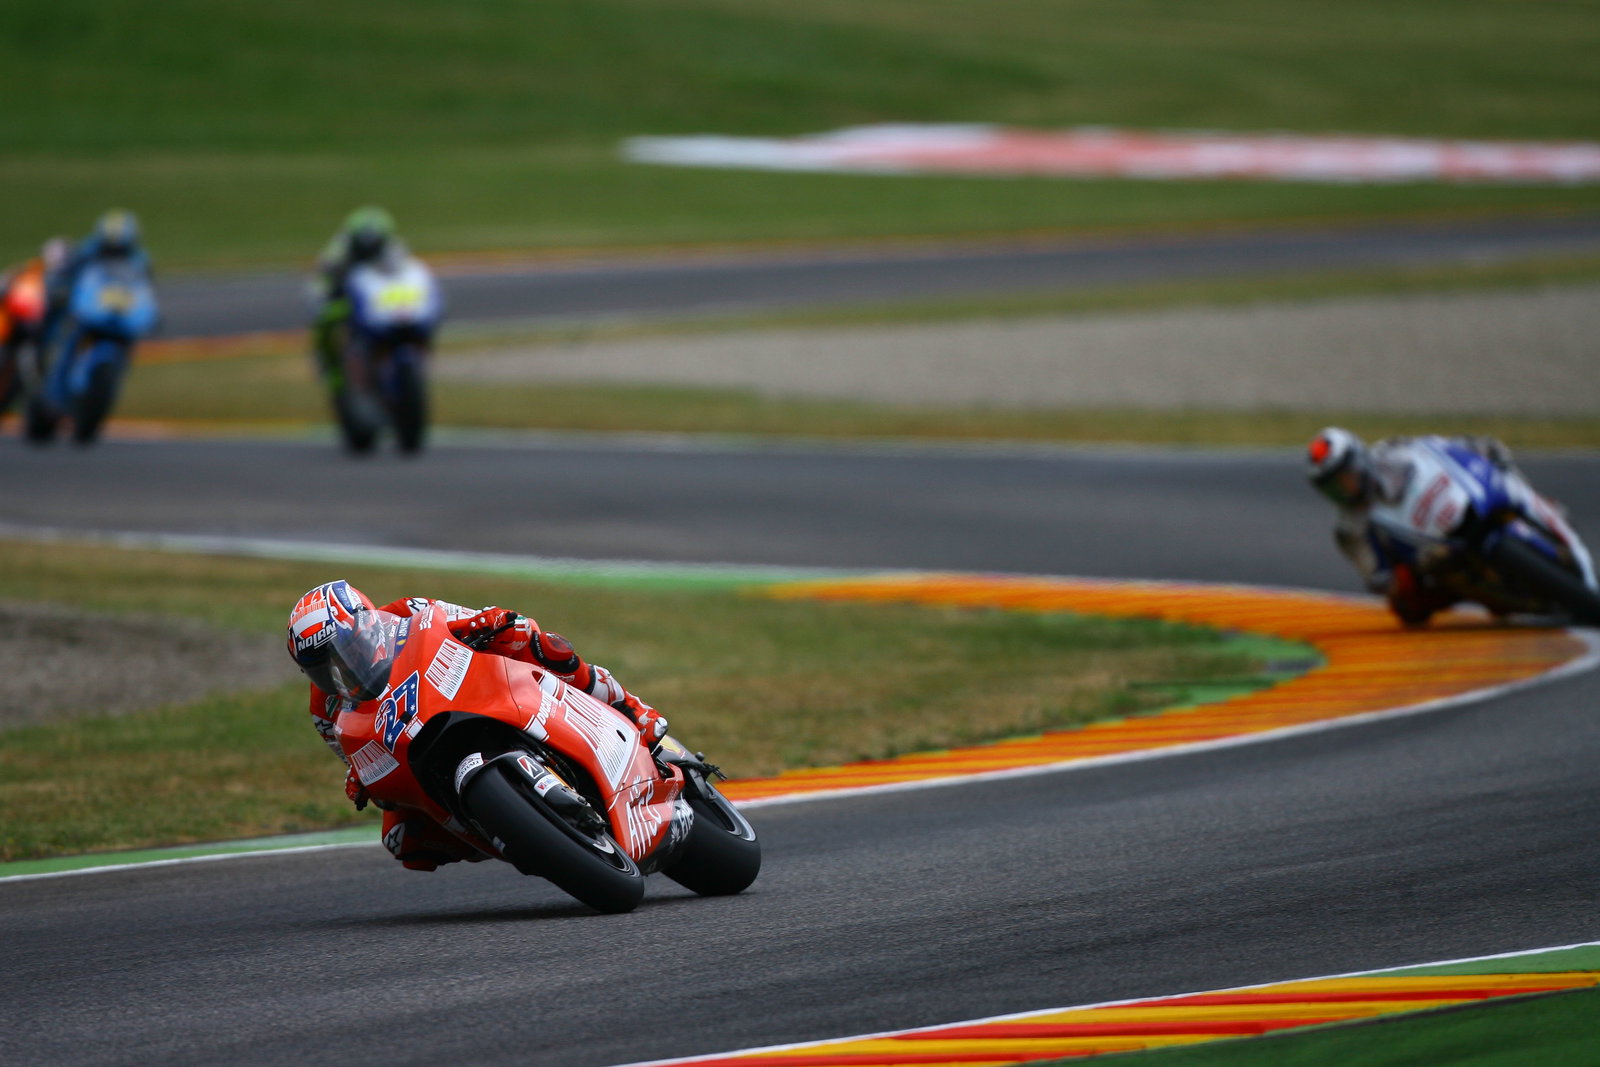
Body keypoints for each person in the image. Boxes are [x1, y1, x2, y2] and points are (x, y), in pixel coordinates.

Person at [286, 580, 669, 871]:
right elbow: (351, 755)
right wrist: (358, 779)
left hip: (469, 691)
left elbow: (458, 617)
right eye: (323, 668)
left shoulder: (406, 611)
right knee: (403, 843)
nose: (337, 670)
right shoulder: (325, 711)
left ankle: (632, 708)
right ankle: (507, 827)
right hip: (413, 748)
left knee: (543, 645)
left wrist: (489, 623)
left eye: (343, 652)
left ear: (366, 626)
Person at [1305, 426, 1518, 625]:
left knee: (1490, 458)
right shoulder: (1348, 530)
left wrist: (1479, 453)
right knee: (1406, 609)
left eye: (1345, 478)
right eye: (1334, 487)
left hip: (1447, 501)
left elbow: (1433, 447)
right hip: (1426, 556)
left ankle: (1531, 503)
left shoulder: (1390, 451)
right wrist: (1392, 581)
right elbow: (1374, 574)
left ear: (1359, 459)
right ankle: (1485, 593)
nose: (1344, 489)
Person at [41, 210, 153, 411]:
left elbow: (144, 290)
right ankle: (53, 396)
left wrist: (149, 314)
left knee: (125, 352)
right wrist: (62, 289)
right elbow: (65, 274)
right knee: (68, 344)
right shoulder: (89, 251)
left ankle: (106, 395)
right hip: (91, 310)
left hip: (121, 316)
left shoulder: (139, 261)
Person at [308, 206, 407, 384]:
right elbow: (320, 281)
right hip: (346, 300)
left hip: (379, 301)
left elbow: (404, 278)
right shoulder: (338, 251)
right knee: (323, 325)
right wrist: (321, 300)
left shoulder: (394, 250)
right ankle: (328, 367)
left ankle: (396, 362)